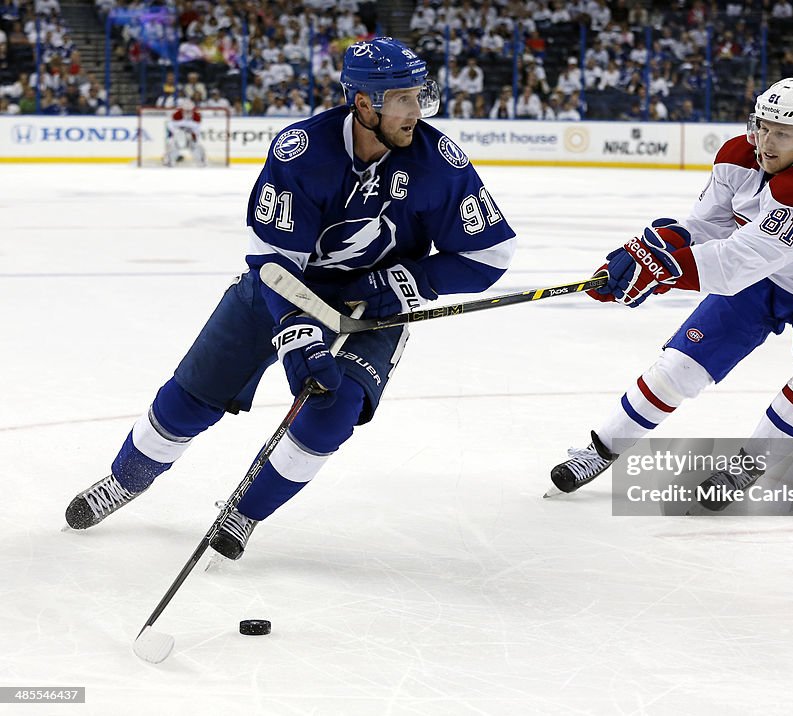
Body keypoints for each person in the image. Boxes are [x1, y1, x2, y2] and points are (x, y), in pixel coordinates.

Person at [64, 38, 517, 558]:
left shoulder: (438, 163)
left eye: (420, 96)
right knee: (193, 395)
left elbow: (490, 257)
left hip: (372, 310)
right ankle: (126, 480)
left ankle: (243, 512)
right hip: (279, 292)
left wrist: (396, 285)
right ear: (364, 103)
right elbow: (274, 262)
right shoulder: (302, 151)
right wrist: (299, 333)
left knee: (333, 412)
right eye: (404, 99)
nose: (418, 111)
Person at [546, 78, 793, 508]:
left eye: (783, 133)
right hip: (765, 279)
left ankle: (749, 465)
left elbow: (735, 262)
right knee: (678, 367)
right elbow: (707, 228)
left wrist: (662, 271)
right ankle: (601, 448)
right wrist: (653, 248)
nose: (766, 142)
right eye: (763, 126)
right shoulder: (737, 156)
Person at [162, 99, 207, 167]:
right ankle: (169, 160)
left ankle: (201, 161)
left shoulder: (196, 117)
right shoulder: (176, 115)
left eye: (189, 111)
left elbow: (198, 129)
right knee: (171, 144)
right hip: (178, 136)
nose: (187, 112)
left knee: (196, 146)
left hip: (191, 137)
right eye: (186, 110)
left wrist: (193, 135)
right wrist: (177, 132)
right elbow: (170, 125)